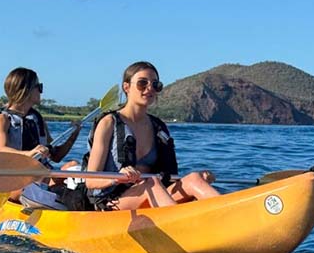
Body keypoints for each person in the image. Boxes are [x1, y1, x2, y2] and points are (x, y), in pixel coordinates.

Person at [84, 61, 220, 210]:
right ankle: (180, 226)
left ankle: (230, 215)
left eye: (156, 85)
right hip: (112, 201)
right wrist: (117, 177)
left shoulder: (158, 126)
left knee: (194, 178)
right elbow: (90, 180)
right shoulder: (108, 123)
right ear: (126, 87)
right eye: (142, 83)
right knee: (151, 182)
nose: (150, 89)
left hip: (152, 194)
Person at [0, 67, 81, 202]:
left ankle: (59, 199)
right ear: (27, 90)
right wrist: (30, 153)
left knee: (73, 165)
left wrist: (74, 135)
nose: (41, 91)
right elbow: (1, 149)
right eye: (39, 87)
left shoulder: (37, 119)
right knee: (25, 188)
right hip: (15, 180)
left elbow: (56, 156)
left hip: (40, 177)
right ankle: (48, 197)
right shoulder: (3, 119)